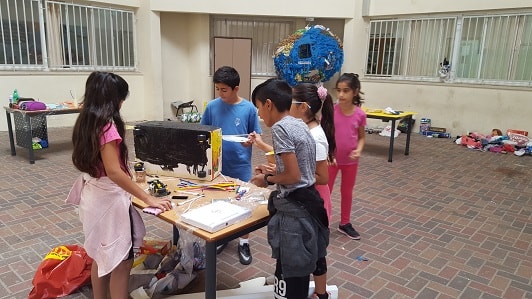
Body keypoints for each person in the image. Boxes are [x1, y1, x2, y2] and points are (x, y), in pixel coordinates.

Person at [67, 71, 173, 298]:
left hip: (93, 197)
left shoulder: (85, 122)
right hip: (108, 204)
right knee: (122, 262)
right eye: (121, 99)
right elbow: (114, 172)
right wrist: (148, 198)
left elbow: (108, 166)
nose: (122, 104)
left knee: (100, 255)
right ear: (112, 100)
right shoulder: (107, 127)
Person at [251, 82, 334, 299]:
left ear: (268, 104)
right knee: (307, 262)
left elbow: (293, 176)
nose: (259, 114)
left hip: (295, 212)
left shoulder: (280, 128)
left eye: (259, 107)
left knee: (290, 275)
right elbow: (302, 170)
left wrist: (267, 179)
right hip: (310, 203)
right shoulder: (298, 124)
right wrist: (276, 170)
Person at [200, 66, 262, 265]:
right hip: (217, 166)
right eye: (217, 89)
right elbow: (204, 130)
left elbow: (256, 134)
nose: (220, 93)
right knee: (218, 201)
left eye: (224, 89)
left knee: (243, 203)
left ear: (236, 88)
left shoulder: (249, 109)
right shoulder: (212, 107)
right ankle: (222, 237)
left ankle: (244, 242)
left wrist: (251, 140)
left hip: (241, 164)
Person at [328, 73, 366, 240]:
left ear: (355, 92)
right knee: (325, 190)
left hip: (350, 162)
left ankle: (345, 223)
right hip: (331, 160)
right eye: (339, 90)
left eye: (346, 91)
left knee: (347, 192)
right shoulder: (331, 112)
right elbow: (325, 135)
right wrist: (329, 153)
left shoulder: (360, 114)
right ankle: (322, 221)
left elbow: (362, 137)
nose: (341, 95)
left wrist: (359, 149)